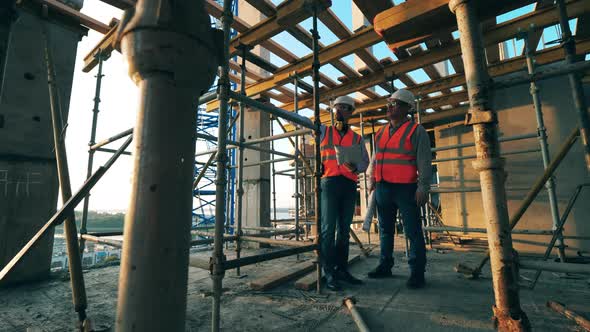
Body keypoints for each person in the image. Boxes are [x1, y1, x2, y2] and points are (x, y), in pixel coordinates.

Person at [366, 89, 432, 289]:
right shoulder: (380, 132)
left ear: (406, 108)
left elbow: (424, 162)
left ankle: (417, 273)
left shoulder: (416, 131)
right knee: (385, 231)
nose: (389, 106)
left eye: (394, 103)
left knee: (413, 231)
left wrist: (423, 187)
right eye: (389, 102)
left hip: (406, 189)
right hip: (383, 187)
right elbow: (376, 160)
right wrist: (372, 179)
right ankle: (385, 265)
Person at [319, 95, 370, 291]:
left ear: (350, 113)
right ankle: (329, 273)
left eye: (344, 108)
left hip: (349, 185)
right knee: (327, 229)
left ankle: (342, 270)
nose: (339, 110)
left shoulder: (356, 138)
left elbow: (365, 162)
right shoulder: (324, 130)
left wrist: (356, 168)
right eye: (337, 107)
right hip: (329, 183)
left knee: (343, 231)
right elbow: (302, 122)